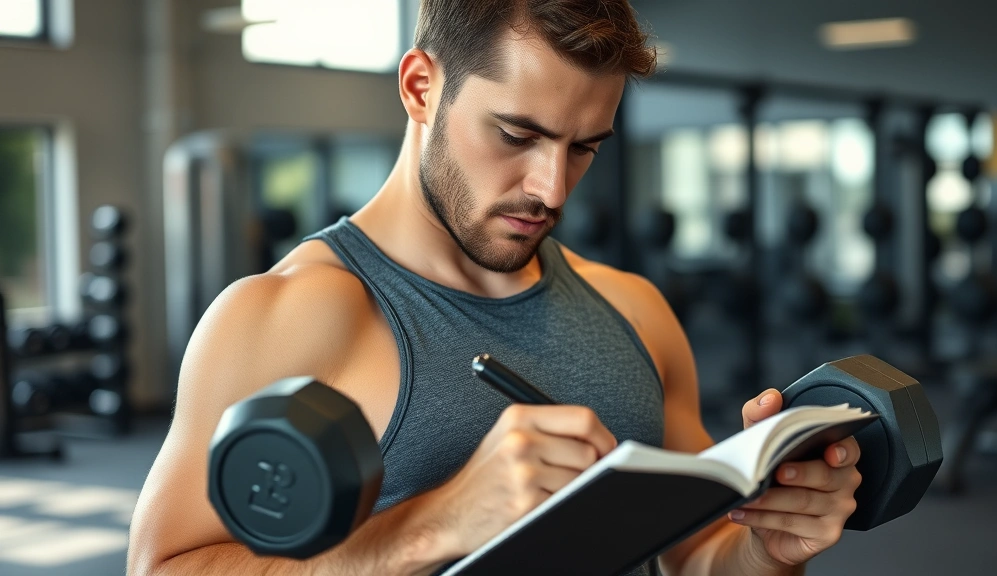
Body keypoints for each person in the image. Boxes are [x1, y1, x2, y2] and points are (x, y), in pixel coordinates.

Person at [127, 1, 861, 574]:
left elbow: (696, 557)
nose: (551, 189)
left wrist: (769, 549)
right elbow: (162, 568)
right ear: (421, 87)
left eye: (583, 149)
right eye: (516, 135)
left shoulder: (635, 310)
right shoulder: (287, 316)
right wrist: (433, 525)